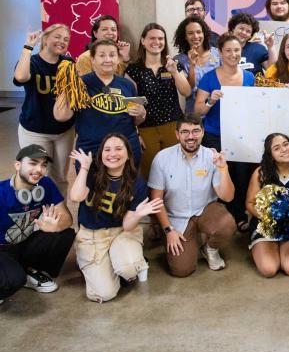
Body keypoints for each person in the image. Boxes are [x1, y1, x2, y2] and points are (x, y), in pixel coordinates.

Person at [69, 135, 160, 302]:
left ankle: (128, 262)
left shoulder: (137, 183)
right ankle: (103, 264)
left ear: (128, 154)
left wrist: (138, 214)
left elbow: (127, 225)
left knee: (129, 268)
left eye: (119, 149)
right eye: (107, 149)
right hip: (93, 236)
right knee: (104, 294)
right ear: (101, 154)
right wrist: (84, 168)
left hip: (121, 233)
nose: (113, 154)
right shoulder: (92, 172)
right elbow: (75, 197)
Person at [148, 116, 236, 277]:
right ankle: (189, 240)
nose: (190, 136)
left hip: (205, 211)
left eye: (196, 131)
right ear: (177, 135)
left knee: (227, 224)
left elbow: (228, 197)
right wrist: (168, 231)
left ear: (202, 132)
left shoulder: (212, 157)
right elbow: (156, 200)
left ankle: (209, 248)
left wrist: (224, 169)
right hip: (176, 218)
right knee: (182, 270)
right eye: (185, 132)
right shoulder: (162, 158)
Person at [195, 33, 256, 230]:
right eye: (228, 50)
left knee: (241, 176)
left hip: (241, 136)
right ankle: (218, 216)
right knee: (218, 176)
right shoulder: (209, 78)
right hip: (215, 135)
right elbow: (197, 111)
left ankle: (238, 214)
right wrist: (211, 101)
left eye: (236, 50)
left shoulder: (249, 77)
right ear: (220, 52)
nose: (232, 54)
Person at [0, 145, 75, 302]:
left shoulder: (45, 185)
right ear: (18, 165)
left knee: (64, 234)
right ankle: (16, 274)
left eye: (43, 165)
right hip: (2, 250)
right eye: (33, 163)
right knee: (14, 280)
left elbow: (67, 218)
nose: (39, 169)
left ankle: (30, 271)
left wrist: (55, 226)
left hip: (23, 243)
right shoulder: (2, 193)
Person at [53, 40, 146, 165]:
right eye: (102, 55)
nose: (108, 59)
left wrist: (141, 113)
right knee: (91, 184)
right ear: (92, 59)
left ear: (118, 59)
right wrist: (67, 85)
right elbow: (61, 116)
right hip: (91, 150)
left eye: (112, 55)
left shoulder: (128, 85)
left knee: (127, 184)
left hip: (125, 147)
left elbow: (136, 121)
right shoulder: (80, 84)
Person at [13, 25, 75, 193]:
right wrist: (28, 46)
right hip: (34, 130)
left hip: (64, 131)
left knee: (60, 177)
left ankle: (58, 214)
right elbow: (20, 77)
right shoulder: (32, 62)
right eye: (57, 37)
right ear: (45, 39)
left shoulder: (68, 63)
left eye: (66, 39)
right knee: (35, 175)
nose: (62, 41)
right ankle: (35, 214)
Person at [125, 23, 191, 179]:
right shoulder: (133, 70)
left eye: (161, 38)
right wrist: (135, 133)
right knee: (150, 173)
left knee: (175, 171)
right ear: (143, 41)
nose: (157, 42)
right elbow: (131, 105)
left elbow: (186, 91)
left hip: (172, 125)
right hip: (146, 129)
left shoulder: (173, 65)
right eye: (152, 38)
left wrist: (174, 72)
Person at [245, 133, 289, 277]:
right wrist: (271, 218)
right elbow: (250, 203)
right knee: (269, 269)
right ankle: (262, 247)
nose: (283, 149)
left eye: (286, 144)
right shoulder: (261, 173)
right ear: (270, 155)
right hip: (265, 226)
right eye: (277, 148)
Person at [173, 15, 221, 115]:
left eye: (199, 32)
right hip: (194, 115)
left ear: (204, 33)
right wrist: (192, 65)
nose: (195, 36)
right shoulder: (179, 60)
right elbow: (188, 90)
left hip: (218, 111)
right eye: (190, 33)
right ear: (185, 36)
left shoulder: (218, 54)